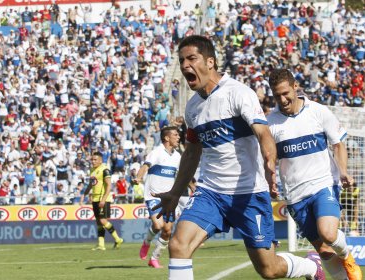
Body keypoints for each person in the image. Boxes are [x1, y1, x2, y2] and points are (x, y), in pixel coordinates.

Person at [152, 35, 324, 280]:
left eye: (192, 58)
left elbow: (263, 133)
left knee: (268, 269)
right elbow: (191, 152)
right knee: (178, 245)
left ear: (210, 62)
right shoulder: (192, 108)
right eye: (181, 61)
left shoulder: (238, 93)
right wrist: (175, 191)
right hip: (210, 192)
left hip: (249, 192)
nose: (185, 66)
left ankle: (310, 266)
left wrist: (269, 163)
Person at [267, 69, 362, 280]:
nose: (282, 99)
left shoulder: (318, 111)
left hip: (323, 184)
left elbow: (338, 143)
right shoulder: (270, 123)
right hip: (295, 195)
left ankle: (347, 255)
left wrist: (344, 171)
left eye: (285, 93)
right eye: (276, 96)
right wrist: (270, 179)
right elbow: (269, 157)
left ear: (295, 87)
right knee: (324, 251)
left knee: (328, 233)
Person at [136, 126, 181, 268]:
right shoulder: (156, 152)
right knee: (158, 225)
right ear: (167, 138)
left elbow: (184, 175)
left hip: (169, 198)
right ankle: (147, 242)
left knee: (167, 230)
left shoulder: (177, 156)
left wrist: (194, 187)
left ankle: (154, 258)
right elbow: (145, 166)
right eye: (175, 134)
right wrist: (138, 177)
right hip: (153, 195)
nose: (178, 137)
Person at [80, 152, 123, 251]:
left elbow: (109, 186)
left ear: (100, 160)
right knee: (99, 222)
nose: (93, 161)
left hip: (103, 199)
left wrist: (103, 199)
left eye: (95, 160)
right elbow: (91, 185)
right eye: (92, 159)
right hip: (95, 199)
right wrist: (84, 194)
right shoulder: (92, 170)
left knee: (103, 220)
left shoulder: (105, 170)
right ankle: (101, 245)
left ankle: (118, 239)